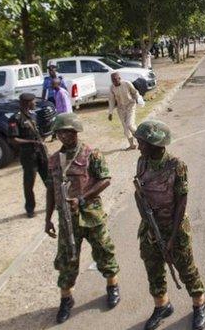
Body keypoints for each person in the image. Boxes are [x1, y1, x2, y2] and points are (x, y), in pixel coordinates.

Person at [44, 113, 120, 324]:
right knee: (67, 260)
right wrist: (48, 218)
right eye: (60, 132)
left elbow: (105, 179)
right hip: (67, 221)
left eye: (67, 131)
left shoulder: (90, 154)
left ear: (76, 132)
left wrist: (82, 198)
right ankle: (66, 300)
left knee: (104, 252)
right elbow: (51, 190)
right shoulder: (53, 161)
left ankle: (112, 286)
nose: (63, 136)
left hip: (92, 216)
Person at [133, 120, 205, 330]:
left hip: (174, 227)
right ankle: (162, 306)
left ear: (155, 143)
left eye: (142, 143)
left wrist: (172, 237)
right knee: (153, 268)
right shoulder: (142, 162)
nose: (139, 146)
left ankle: (199, 304)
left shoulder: (176, 165)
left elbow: (181, 204)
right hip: (150, 228)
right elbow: (139, 194)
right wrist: (148, 224)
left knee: (186, 269)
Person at [8, 93, 49, 218]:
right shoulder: (15, 118)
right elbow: (13, 139)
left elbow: (37, 132)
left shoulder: (33, 115)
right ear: (26, 103)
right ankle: (30, 209)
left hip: (40, 152)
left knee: (49, 179)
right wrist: (32, 142)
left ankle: (57, 201)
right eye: (33, 102)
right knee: (29, 183)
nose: (35, 103)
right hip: (28, 155)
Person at [108, 72, 140, 150]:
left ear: (119, 78)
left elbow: (134, 92)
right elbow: (111, 100)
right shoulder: (112, 88)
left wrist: (137, 99)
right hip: (121, 109)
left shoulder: (127, 83)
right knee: (125, 128)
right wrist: (110, 112)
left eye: (116, 79)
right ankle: (132, 145)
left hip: (130, 106)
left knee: (130, 124)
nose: (114, 81)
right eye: (113, 80)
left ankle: (141, 138)